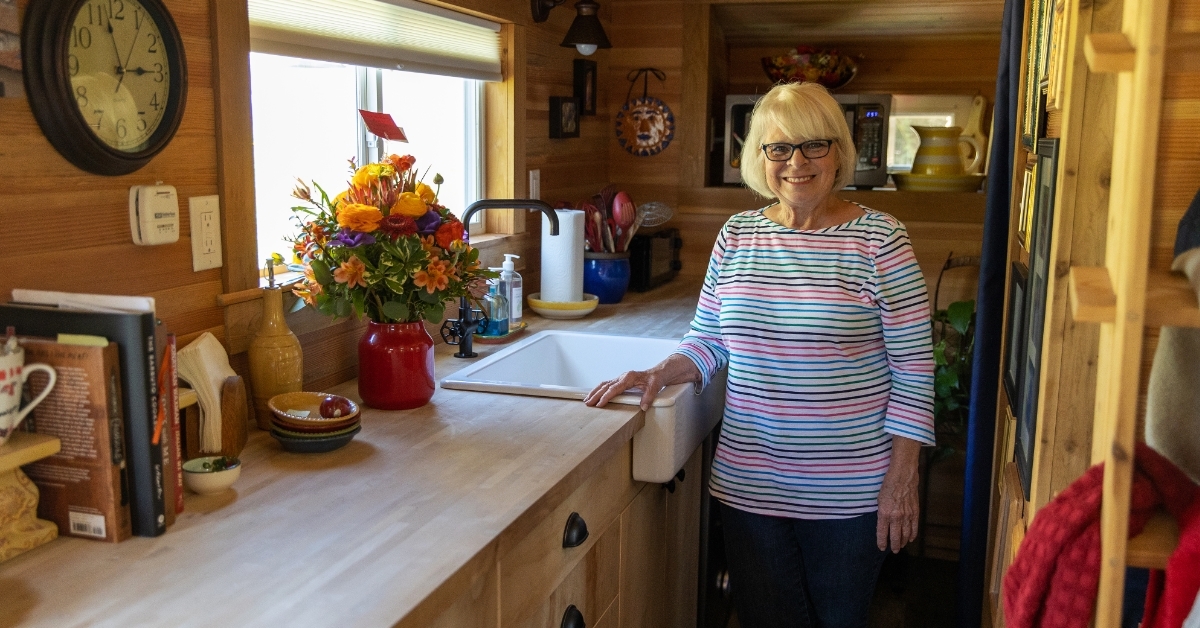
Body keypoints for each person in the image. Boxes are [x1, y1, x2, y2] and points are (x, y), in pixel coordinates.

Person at [585, 81, 935, 628]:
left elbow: (915, 367)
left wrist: (902, 477)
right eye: (779, 148)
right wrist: (656, 371)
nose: (797, 162)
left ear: (839, 152)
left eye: (813, 145)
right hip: (750, 484)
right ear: (759, 158)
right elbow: (709, 339)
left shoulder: (879, 240)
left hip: (850, 491)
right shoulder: (738, 236)